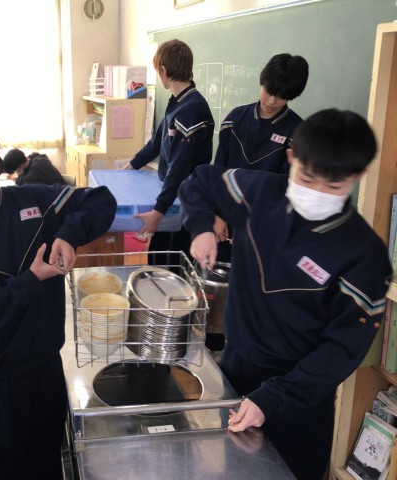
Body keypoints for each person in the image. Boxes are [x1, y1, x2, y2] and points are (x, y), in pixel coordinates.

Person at [178, 108, 392, 480]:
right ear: (291, 157)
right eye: (307, 178)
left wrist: (274, 397)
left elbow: (341, 350)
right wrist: (201, 227)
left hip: (298, 399)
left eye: (333, 186)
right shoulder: (260, 193)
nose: (317, 193)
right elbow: (198, 181)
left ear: (358, 176)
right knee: (233, 470)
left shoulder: (363, 255)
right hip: (235, 370)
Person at [0, 115, 116, 479]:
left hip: (45, 372)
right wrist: (30, 281)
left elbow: (101, 200)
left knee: (46, 467)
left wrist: (69, 235)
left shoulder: (32, 199)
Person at [122, 39, 214, 263]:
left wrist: (158, 211)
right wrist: (132, 165)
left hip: (187, 200)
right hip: (172, 195)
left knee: (173, 264)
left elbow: (179, 167)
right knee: (157, 258)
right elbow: (157, 141)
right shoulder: (177, 102)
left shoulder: (191, 109)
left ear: (163, 70)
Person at [214, 53, 309, 175]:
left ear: (292, 96)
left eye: (281, 96)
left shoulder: (298, 133)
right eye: (268, 91)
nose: (271, 101)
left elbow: (286, 181)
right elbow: (217, 171)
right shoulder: (234, 120)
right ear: (262, 82)